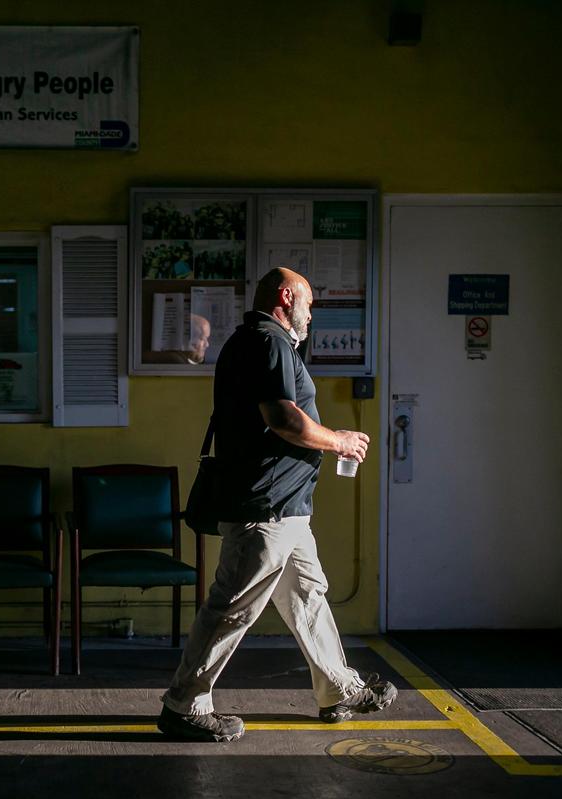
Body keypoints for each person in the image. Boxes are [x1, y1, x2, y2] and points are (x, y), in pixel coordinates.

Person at [157, 266, 397, 743]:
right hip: (265, 508)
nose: (312, 315)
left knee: (308, 594)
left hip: (286, 507)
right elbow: (284, 418)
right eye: (308, 303)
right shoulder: (267, 341)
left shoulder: (261, 342)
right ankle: (184, 703)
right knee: (233, 607)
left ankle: (339, 689)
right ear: (286, 297)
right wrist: (340, 441)